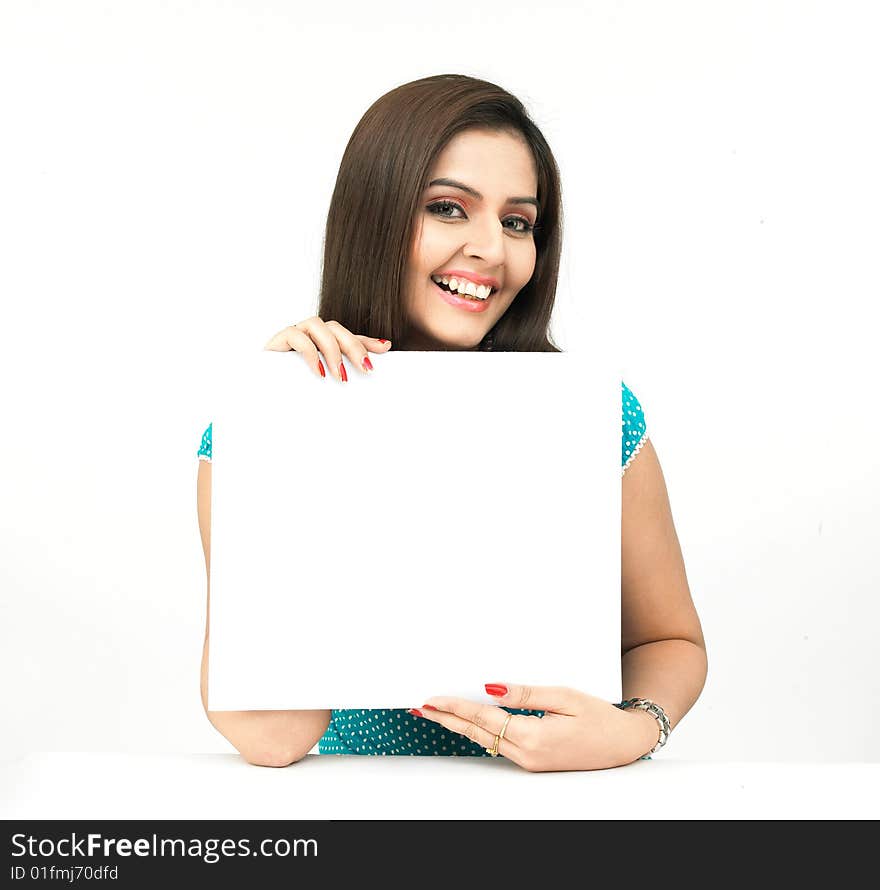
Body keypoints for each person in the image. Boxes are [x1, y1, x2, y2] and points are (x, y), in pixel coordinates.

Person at [196, 73, 708, 771]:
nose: (492, 249)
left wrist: (637, 728)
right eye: (447, 208)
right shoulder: (249, 431)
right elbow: (275, 733)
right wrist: (286, 430)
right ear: (374, 216)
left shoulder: (592, 415)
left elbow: (669, 641)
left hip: (565, 811)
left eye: (517, 221)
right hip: (366, 816)